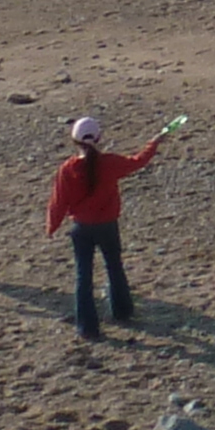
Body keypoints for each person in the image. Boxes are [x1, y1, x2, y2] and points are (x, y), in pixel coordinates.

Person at [46, 114, 170, 339]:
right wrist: (154, 143)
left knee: (83, 277)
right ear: (99, 138)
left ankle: (87, 327)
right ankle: (122, 311)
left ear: (74, 141)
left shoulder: (67, 169)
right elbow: (138, 161)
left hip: (81, 227)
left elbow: (58, 201)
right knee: (114, 267)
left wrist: (52, 226)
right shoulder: (109, 163)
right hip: (107, 226)